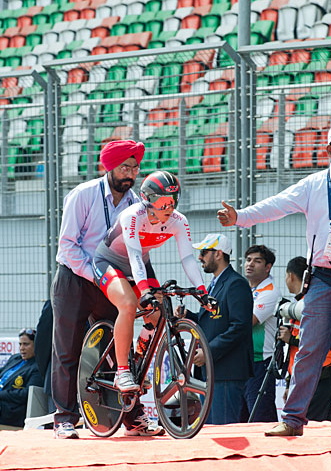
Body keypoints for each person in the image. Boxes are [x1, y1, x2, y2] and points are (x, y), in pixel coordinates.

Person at [217, 123, 331, 436]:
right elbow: (276, 205)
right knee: (310, 347)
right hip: (323, 277)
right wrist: (240, 217)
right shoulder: (313, 184)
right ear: (329, 150)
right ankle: (294, 419)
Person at [93, 170, 211, 435]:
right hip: (109, 262)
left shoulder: (178, 221)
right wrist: (144, 291)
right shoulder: (132, 215)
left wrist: (202, 290)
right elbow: (134, 256)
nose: (169, 208)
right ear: (148, 200)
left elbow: (188, 259)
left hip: (139, 266)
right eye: (163, 202)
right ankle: (123, 370)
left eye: (173, 201)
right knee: (127, 303)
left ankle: (136, 361)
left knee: (158, 318)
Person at [51, 139, 144, 439]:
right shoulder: (84, 194)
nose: (130, 173)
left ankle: (131, 418)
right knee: (68, 350)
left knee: (119, 349)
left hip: (111, 279)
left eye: (134, 167)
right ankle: (64, 418)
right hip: (75, 277)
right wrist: (97, 275)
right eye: (124, 167)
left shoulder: (135, 203)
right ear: (109, 167)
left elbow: (136, 250)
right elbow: (67, 246)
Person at [174, 233, 254, 424]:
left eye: (204, 252)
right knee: (213, 428)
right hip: (214, 371)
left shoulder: (236, 284)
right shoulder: (216, 284)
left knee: (222, 428)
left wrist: (208, 352)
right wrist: (189, 316)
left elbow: (239, 327)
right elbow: (215, 321)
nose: (200, 257)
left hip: (226, 372)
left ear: (218, 254)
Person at [278, 256, 331, 422]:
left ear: (290, 276)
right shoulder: (299, 305)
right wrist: (290, 384)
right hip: (306, 375)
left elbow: (323, 338)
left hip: (322, 374)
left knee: (317, 424)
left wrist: (291, 339)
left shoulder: (315, 305)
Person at [241, 245, 281, 422]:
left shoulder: (270, 291)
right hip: (242, 362)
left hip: (260, 363)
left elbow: (248, 322)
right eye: (248, 260)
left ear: (268, 267)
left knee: (260, 419)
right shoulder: (244, 288)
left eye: (257, 261)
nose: (250, 264)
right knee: (239, 420)